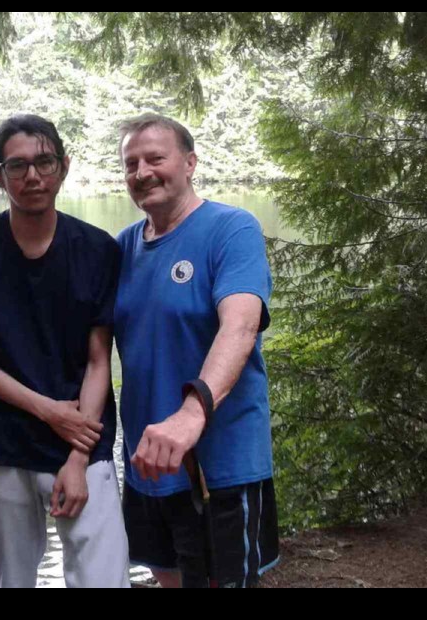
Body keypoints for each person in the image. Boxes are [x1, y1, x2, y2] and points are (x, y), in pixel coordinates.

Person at [0, 114, 130, 588]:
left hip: (82, 442)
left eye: (44, 162)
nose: (33, 177)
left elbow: (98, 359)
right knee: (12, 580)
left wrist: (79, 456)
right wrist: (49, 412)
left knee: (102, 578)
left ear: (63, 166)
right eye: (17, 165)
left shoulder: (97, 248)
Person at [115, 113, 279, 588]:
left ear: (189, 163)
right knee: (168, 578)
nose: (142, 172)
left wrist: (192, 414)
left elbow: (241, 325)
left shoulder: (231, 229)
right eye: (131, 164)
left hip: (221, 465)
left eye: (155, 158)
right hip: (149, 464)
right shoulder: (122, 248)